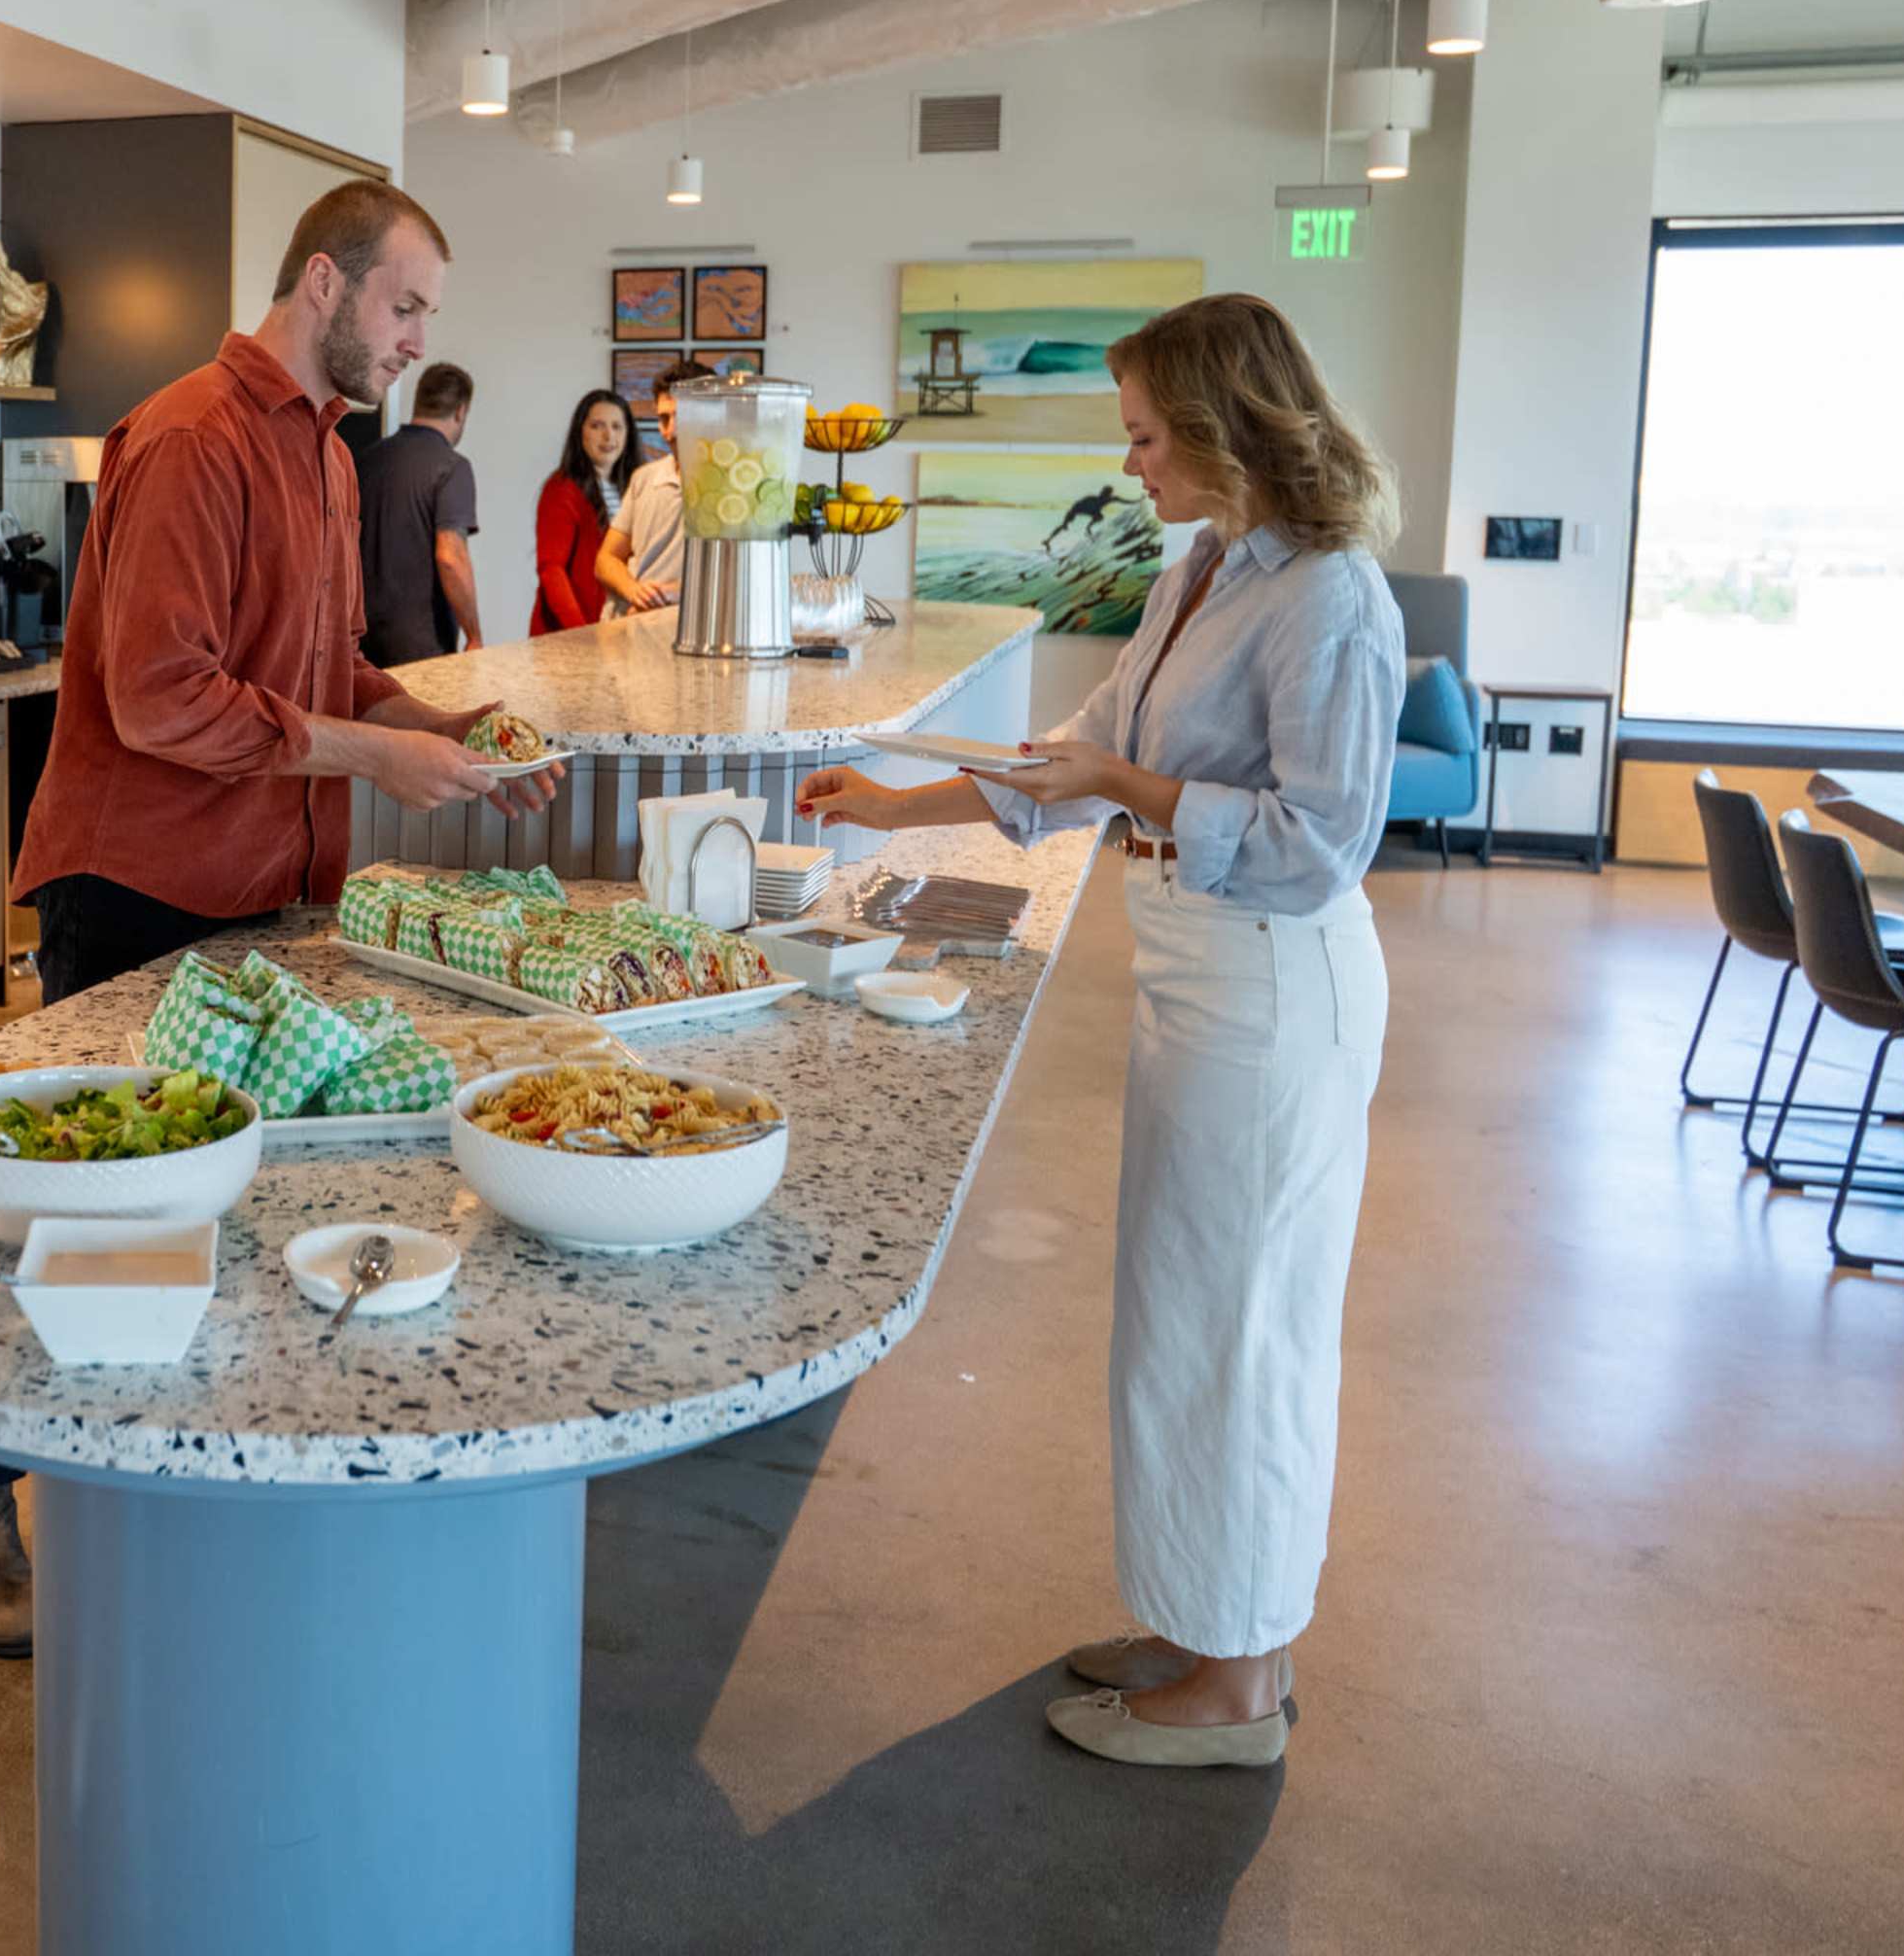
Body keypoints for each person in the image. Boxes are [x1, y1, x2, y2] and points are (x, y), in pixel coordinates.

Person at [0, 183, 559, 1658]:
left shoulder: (335, 462)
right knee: (88, 1213)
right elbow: (163, 700)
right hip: (141, 889)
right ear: (324, 284)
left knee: (224, 1210)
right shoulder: (186, 440)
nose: (417, 342)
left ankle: (171, 1496)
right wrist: (377, 758)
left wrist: (447, 729)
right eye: (405, 308)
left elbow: (326, 665)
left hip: (271, 896)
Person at [797, 291, 1401, 1773]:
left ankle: (1242, 1687)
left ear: (1214, 428)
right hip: (1199, 965)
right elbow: (1078, 763)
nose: (1128, 462)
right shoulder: (1201, 568)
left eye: (1142, 435)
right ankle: (1206, 1618)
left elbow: (1323, 840)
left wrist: (1130, 794)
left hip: (1276, 977)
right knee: (1182, 1312)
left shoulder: (1331, 596)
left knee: (1248, 1325)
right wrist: (890, 800)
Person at [360, 359, 484, 664]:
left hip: (361, 641)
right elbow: (450, 557)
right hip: (422, 646)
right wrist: (475, 635)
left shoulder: (367, 459)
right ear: (461, 411)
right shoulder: (452, 467)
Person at [595, 356, 715, 613]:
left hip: (679, 631)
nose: (670, 431)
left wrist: (669, 593)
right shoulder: (644, 478)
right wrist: (634, 591)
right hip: (621, 630)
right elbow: (606, 559)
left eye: (682, 417)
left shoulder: (732, 488)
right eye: (663, 419)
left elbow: (731, 577)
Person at [530, 388, 632, 635]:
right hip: (573, 634)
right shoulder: (562, 488)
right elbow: (552, 570)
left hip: (618, 630)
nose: (609, 436)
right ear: (580, 432)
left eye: (617, 426)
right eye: (597, 426)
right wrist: (582, 633)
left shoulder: (635, 486)